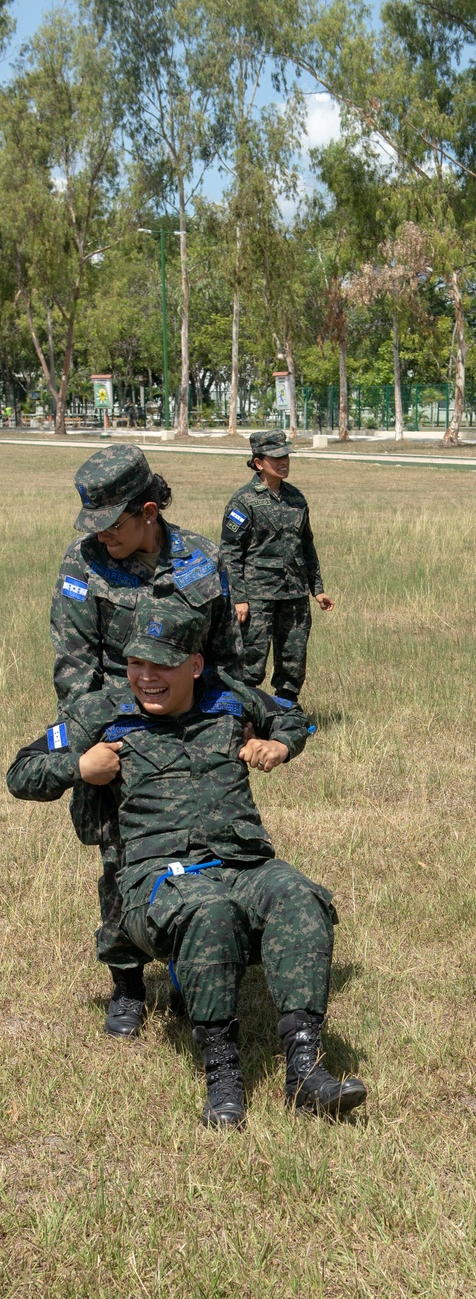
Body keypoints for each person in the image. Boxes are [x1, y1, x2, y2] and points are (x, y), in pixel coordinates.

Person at [8, 599, 367, 1131]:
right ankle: (224, 1079)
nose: (146, 678)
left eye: (162, 666)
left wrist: (280, 744)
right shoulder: (101, 712)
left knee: (300, 894)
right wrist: (80, 766)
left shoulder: (228, 697)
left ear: (195, 664)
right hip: (156, 882)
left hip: (242, 862)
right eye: (135, 664)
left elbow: (295, 716)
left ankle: (305, 1072)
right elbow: (22, 772)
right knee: (211, 911)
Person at [50, 443, 243, 1038]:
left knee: (204, 848)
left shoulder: (201, 561)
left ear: (149, 511)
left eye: (111, 524)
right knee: (121, 854)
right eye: (95, 524)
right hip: (122, 734)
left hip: (194, 736)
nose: (100, 535)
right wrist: (95, 746)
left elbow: (225, 660)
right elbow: (75, 671)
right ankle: (128, 982)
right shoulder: (83, 567)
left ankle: (193, 961)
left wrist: (228, 730)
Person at [219, 431, 334, 703]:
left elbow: (306, 546)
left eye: (286, 456)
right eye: (277, 457)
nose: (284, 462)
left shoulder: (296, 498)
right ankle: (245, 715)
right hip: (258, 596)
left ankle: (286, 714)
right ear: (259, 463)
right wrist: (239, 598)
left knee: (293, 659)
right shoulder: (243, 501)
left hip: (293, 594)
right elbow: (230, 552)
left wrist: (317, 589)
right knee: (250, 660)